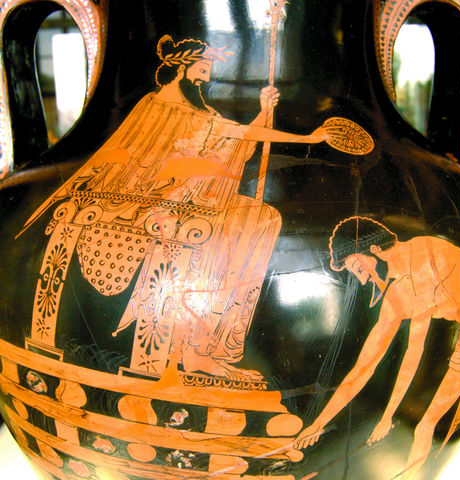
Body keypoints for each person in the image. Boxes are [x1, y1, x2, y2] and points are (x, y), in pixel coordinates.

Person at [22, 36, 328, 381]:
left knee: (263, 217)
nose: (205, 80)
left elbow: (236, 139)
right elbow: (228, 136)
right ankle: (194, 349)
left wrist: (265, 111)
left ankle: (218, 346)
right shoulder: (157, 107)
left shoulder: (201, 113)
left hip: (191, 201)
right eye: (201, 70)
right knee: (220, 231)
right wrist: (306, 139)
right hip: (146, 203)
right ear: (181, 69)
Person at [295, 216, 460, 480]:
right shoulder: (399, 292)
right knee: (425, 428)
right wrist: (318, 424)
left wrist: (388, 416)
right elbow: (365, 366)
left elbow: (414, 353)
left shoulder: (425, 257)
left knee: (431, 427)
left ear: (374, 249)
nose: (362, 281)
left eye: (358, 268)